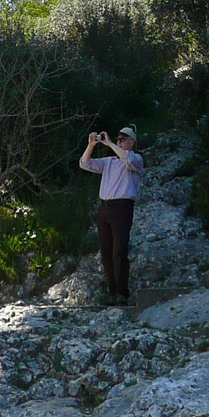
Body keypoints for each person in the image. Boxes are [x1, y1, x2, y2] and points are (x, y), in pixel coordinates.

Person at [79, 125, 144, 306]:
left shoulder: (135, 159)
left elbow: (127, 158)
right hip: (105, 207)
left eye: (123, 139)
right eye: (118, 139)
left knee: (119, 251)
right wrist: (91, 145)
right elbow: (84, 163)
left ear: (132, 142)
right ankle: (112, 292)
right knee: (106, 252)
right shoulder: (109, 161)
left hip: (122, 207)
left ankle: (122, 293)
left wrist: (109, 143)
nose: (120, 142)